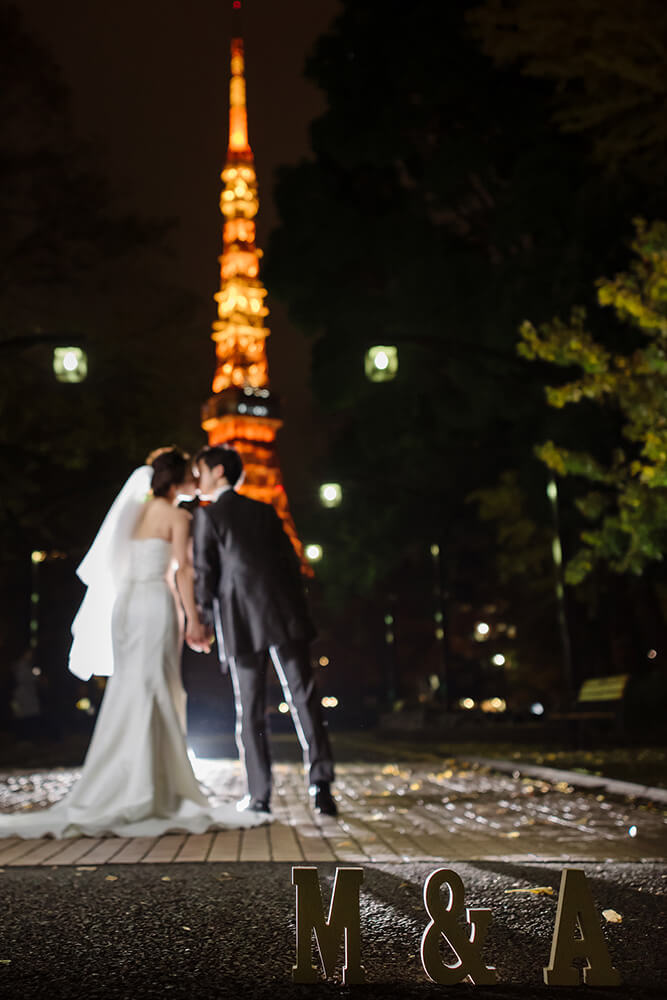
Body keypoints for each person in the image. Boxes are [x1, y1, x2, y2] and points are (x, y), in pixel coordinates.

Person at [0, 448, 268, 839]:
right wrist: (194, 619)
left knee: (130, 688)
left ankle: (122, 782)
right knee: (158, 687)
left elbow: (113, 565)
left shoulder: (133, 512)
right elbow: (185, 571)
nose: (195, 481)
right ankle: (153, 787)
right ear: (177, 480)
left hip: (125, 605)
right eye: (190, 475)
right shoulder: (179, 516)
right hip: (156, 604)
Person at [192, 445, 337, 817]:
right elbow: (291, 564)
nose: (199, 479)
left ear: (219, 470)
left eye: (202, 471)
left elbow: (206, 575)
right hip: (282, 613)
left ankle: (259, 795)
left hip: (240, 618)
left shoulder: (209, 517)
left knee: (251, 710)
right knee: (304, 697)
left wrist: (204, 620)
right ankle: (321, 786)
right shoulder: (265, 511)